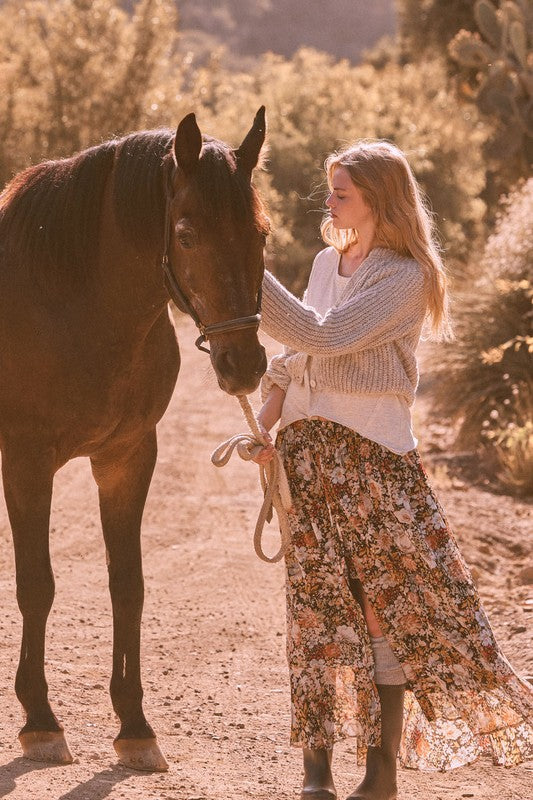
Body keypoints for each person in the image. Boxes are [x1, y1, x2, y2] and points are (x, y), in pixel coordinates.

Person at [254, 140, 533, 800]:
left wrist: (246, 272)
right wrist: (266, 419)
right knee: (316, 611)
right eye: (331, 188)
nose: (329, 200)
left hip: (370, 457)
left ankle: (379, 774)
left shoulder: (406, 277)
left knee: (385, 610)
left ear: (379, 198)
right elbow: (295, 355)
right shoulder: (327, 260)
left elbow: (324, 335)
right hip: (304, 452)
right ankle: (315, 772)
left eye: (341, 190)